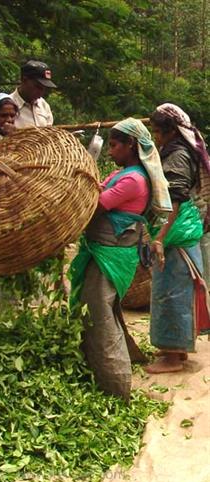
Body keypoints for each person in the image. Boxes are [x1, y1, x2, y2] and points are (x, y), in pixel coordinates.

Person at [69, 118, 172, 400]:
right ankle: (97, 371)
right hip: (105, 251)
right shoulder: (124, 173)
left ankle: (115, 387)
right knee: (100, 309)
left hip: (111, 254)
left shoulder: (133, 179)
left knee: (101, 314)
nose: (111, 151)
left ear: (131, 146)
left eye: (115, 145)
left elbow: (96, 205)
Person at [146, 103, 210, 374]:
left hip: (178, 232)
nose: (156, 137)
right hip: (183, 231)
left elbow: (176, 198)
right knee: (170, 289)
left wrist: (160, 236)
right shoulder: (178, 150)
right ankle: (175, 348)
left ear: (172, 131)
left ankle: (173, 358)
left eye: (158, 132)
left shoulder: (178, 155)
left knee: (173, 293)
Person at [9, 60, 56, 129]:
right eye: (38, 87)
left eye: (44, 88)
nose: (41, 93)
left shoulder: (44, 105)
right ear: (24, 80)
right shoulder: (6, 105)